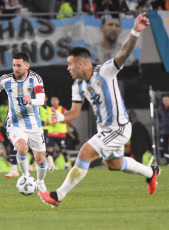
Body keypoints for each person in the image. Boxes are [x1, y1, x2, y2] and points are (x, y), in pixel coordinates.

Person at [39, 13, 160, 207]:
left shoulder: (105, 71)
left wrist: (136, 31)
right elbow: (75, 113)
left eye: (70, 64)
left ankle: (57, 196)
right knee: (115, 165)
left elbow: (124, 52)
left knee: (85, 152)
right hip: (105, 131)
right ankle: (150, 172)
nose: (68, 68)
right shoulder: (77, 86)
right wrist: (61, 116)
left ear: (80, 63)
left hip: (118, 128)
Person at [0, 52, 48, 192]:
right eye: (14, 65)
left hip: (34, 124)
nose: (16, 68)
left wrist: (32, 100)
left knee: (41, 160)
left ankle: (41, 181)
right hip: (14, 123)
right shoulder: (6, 80)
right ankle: (25, 176)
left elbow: (41, 99)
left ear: (27, 66)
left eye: (19, 65)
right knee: (22, 148)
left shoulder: (35, 79)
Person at [46, 96, 71, 171]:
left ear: (58, 101)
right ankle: (50, 165)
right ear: (50, 102)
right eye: (52, 100)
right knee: (49, 149)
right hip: (51, 133)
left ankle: (66, 164)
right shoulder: (48, 110)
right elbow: (46, 121)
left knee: (63, 149)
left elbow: (69, 119)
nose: (54, 102)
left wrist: (60, 120)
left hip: (60, 133)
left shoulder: (62, 109)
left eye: (55, 100)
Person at [158, 95, 169, 164]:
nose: (165, 101)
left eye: (167, 100)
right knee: (165, 147)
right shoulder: (160, 110)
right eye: (164, 100)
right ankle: (168, 161)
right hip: (163, 132)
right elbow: (159, 120)